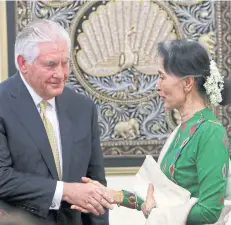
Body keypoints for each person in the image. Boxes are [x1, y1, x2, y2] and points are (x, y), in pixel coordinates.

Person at [72, 40, 231, 225]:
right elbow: (160, 200)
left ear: (187, 83)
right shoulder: (184, 129)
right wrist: (112, 195)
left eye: (162, 77)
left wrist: (156, 213)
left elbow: (210, 211)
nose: (157, 85)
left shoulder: (210, 131)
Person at [0, 19, 113, 225]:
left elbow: (95, 186)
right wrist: (65, 191)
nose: (60, 74)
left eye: (65, 63)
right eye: (50, 64)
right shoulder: (2, 104)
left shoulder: (83, 107)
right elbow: (2, 178)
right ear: (23, 63)